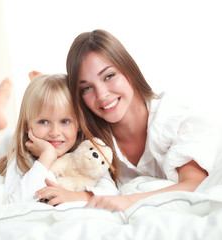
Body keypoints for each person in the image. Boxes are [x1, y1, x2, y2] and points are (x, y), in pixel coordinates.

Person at [63, 29, 219, 212]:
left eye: (109, 76)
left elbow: (195, 184)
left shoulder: (172, 118)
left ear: (129, 70)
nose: (101, 95)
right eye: (87, 88)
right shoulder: (93, 142)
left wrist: (129, 201)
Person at [0, 73, 119, 205]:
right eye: (43, 122)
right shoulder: (22, 155)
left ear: (79, 123)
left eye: (65, 121)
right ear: (28, 125)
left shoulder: (85, 152)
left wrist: (74, 196)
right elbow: (13, 203)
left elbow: (111, 192)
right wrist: (46, 157)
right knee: (4, 148)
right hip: (11, 140)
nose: (55, 133)